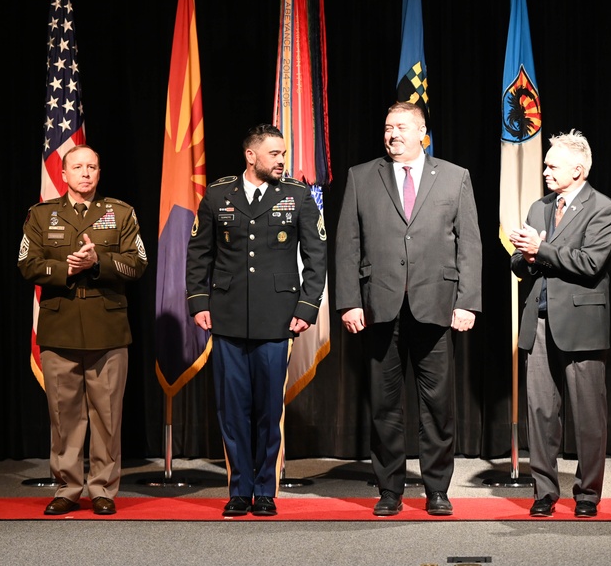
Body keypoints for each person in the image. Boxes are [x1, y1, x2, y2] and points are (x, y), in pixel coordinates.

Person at [335, 101, 482, 517]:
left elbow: (470, 244)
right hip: (379, 306)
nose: (392, 134)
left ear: (422, 132)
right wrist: (349, 300)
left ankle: (437, 489)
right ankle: (390, 491)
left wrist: (467, 302)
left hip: (436, 305)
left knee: (437, 406)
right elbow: (347, 244)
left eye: (400, 127)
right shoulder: (362, 177)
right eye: (387, 127)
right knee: (384, 405)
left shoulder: (455, 177)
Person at [186, 124, 327, 517]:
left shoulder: (297, 196)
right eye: (274, 154)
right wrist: (199, 302)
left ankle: (264, 489)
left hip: (277, 317)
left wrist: (306, 307)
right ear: (251, 156)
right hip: (227, 316)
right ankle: (238, 489)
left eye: (283, 153)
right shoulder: (218, 194)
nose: (282, 160)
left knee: (268, 409)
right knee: (232, 409)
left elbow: (317, 258)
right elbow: (199, 253)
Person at [17, 144, 148, 516]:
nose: (86, 173)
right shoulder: (42, 215)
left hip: (108, 329)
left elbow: (137, 264)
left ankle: (103, 488)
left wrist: (97, 263)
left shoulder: (120, 213)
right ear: (64, 173)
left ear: (99, 173)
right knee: (65, 415)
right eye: (78, 167)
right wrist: (67, 270)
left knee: (107, 415)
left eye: (92, 167)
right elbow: (27, 265)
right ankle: (68, 488)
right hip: (59, 330)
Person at [508, 129, 611, 518]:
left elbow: (590, 264)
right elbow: (521, 266)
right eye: (545, 164)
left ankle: (587, 494)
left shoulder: (603, 209)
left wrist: (542, 250)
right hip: (537, 323)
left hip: (581, 324)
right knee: (540, 412)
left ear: (578, 169)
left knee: (588, 415)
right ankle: (543, 491)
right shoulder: (539, 208)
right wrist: (524, 253)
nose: (545, 170)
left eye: (552, 165)